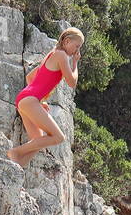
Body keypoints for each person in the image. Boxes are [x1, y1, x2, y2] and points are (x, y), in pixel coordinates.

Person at [7, 27, 84, 167]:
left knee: (39, 140)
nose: (77, 51)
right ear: (67, 41)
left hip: (24, 100)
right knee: (58, 137)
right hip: (29, 100)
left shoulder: (51, 54)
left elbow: (30, 77)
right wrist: (75, 62)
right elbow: (72, 82)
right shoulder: (61, 55)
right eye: (77, 46)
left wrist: (40, 101)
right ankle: (15, 152)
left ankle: (17, 165)